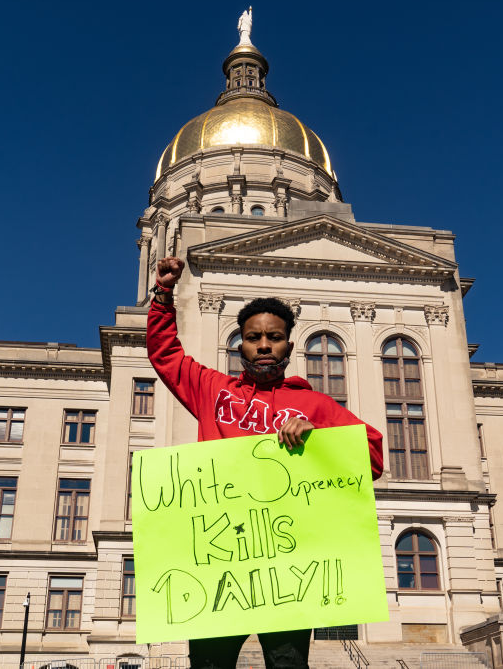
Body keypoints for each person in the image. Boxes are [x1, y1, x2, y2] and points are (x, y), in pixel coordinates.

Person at [146, 256, 384, 669]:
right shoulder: (212, 390)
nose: (263, 344)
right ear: (241, 344)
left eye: (273, 337)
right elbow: (165, 355)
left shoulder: (316, 405)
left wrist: (318, 436)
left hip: (288, 564)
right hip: (219, 560)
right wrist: (163, 294)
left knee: (287, 664)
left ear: (289, 346)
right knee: (209, 664)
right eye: (254, 337)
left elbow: (373, 456)